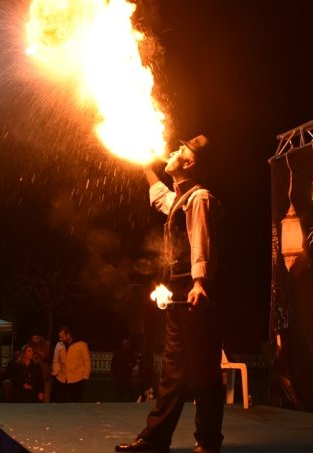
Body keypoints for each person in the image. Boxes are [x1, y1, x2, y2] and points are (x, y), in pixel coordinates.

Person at [116, 134, 225, 453]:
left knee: (204, 370)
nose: (173, 151)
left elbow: (201, 241)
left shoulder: (200, 197)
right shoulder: (180, 199)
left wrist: (200, 282)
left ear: (189, 162)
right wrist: (144, 165)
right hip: (180, 292)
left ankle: (208, 441)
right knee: (172, 371)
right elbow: (160, 197)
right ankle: (155, 439)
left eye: (181, 150)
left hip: (196, 293)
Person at [50, 326, 90, 403]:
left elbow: (87, 362)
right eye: (59, 337)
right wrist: (55, 373)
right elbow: (55, 360)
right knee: (60, 403)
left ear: (68, 335)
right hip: (61, 379)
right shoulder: (59, 345)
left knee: (75, 403)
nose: (60, 339)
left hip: (77, 379)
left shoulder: (81, 345)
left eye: (62, 337)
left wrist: (85, 376)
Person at [27, 333, 52, 403]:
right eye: (33, 339)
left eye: (37, 338)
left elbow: (53, 360)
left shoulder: (47, 345)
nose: (35, 340)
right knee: (34, 401)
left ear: (40, 337)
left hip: (45, 377)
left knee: (46, 400)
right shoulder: (29, 346)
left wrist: (44, 357)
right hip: (34, 379)